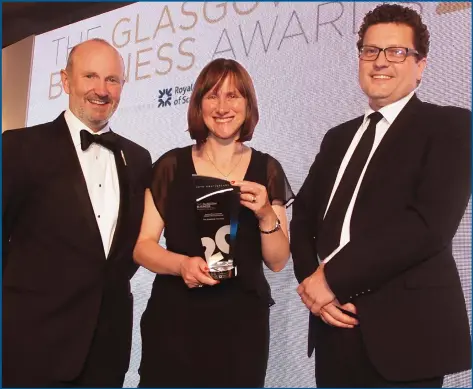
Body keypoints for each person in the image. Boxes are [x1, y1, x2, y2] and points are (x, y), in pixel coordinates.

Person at [291, 4, 471, 388]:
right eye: (370, 51)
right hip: (333, 324)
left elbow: (429, 225)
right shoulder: (337, 137)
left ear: (420, 65)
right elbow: (304, 215)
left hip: (407, 337)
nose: (380, 62)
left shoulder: (451, 126)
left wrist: (332, 279)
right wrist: (313, 285)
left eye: (397, 52)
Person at [133, 58, 294, 387]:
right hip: (175, 320)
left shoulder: (267, 169)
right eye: (212, 96)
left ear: (247, 104)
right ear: (199, 105)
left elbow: (278, 261)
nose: (223, 106)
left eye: (233, 96)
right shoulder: (171, 166)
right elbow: (143, 246)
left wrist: (265, 213)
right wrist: (181, 265)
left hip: (241, 327)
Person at [2, 38, 151, 387]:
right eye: (91, 77)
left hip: (107, 350)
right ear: (66, 81)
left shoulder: (139, 158)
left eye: (112, 80)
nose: (102, 90)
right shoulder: (19, 147)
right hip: (31, 345)